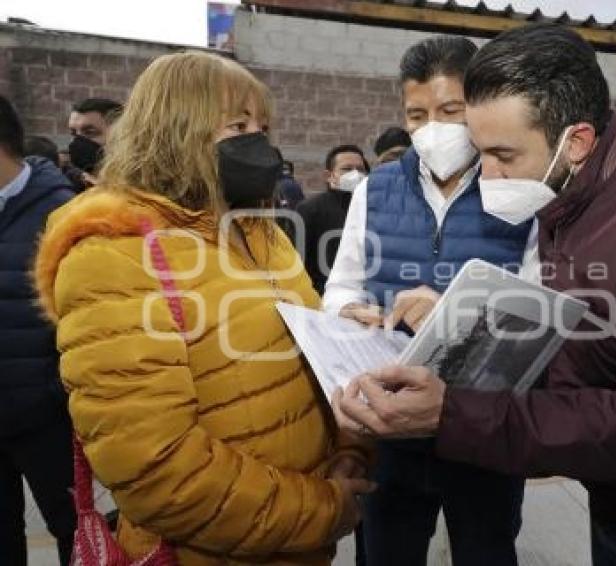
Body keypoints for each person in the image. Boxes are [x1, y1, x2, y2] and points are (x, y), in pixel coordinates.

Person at [334, 23, 616, 566]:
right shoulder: (573, 194)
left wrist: (454, 415)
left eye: (503, 155)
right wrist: (461, 322)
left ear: (574, 141)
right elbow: (586, 338)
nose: (489, 178)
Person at [33, 51, 373, 564]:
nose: (258, 141)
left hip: (299, 546)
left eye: (263, 125)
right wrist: (322, 509)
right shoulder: (113, 254)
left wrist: (350, 455)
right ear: (174, 130)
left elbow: (316, 359)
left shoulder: (263, 233)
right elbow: (157, 469)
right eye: (238, 125)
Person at [324, 35, 538, 566]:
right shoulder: (375, 190)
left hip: (481, 426)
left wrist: (451, 311)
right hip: (390, 423)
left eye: (451, 110)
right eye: (417, 114)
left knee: (486, 549)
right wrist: (347, 312)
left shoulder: (518, 187)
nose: (432, 128)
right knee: (387, 551)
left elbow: (538, 310)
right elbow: (342, 287)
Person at [0, 96, 77, 566]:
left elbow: (84, 321)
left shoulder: (63, 215)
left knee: (73, 532)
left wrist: (53, 394)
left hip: (48, 418)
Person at [295, 144, 369, 294]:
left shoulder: (371, 208)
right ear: (329, 176)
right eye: (347, 169)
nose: (355, 174)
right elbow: (298, 260)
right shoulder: (310, 209)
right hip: (322, 297)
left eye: (360, 169)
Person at [67, 97, 123, 188]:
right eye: (73, 133)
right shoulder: (65, 186)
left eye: (89, 132)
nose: (78, 140)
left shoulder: (142, 184)